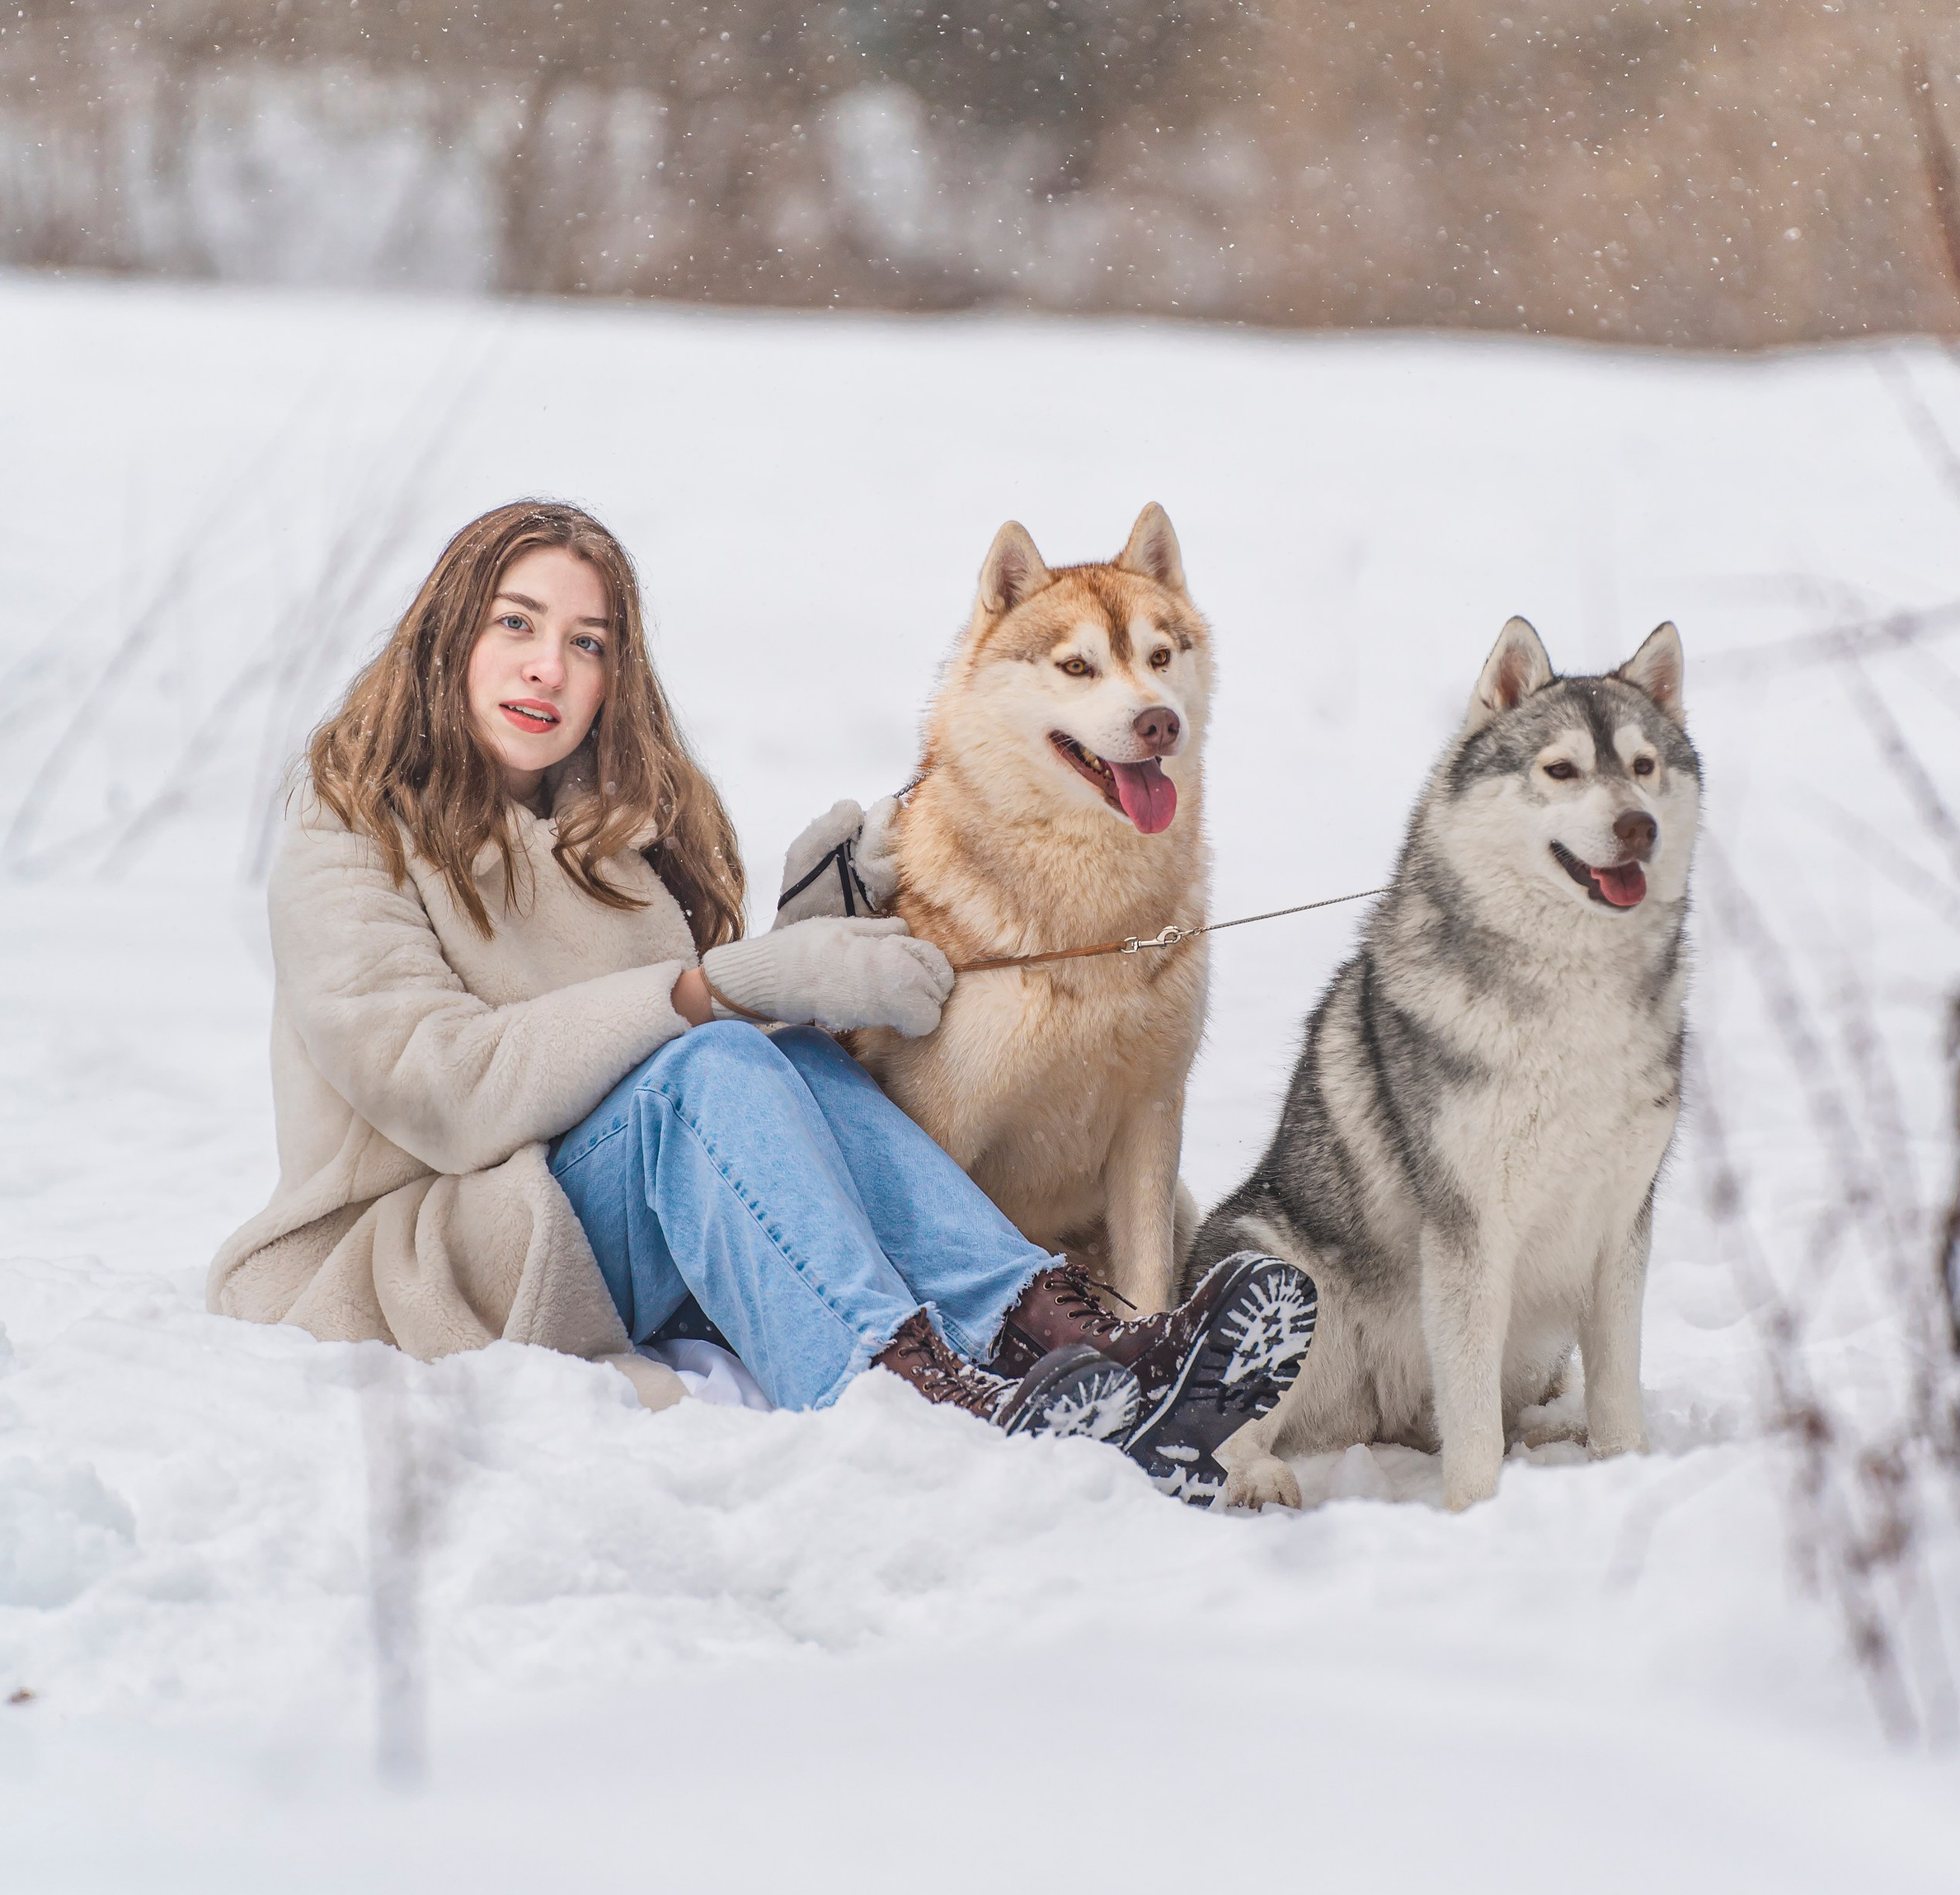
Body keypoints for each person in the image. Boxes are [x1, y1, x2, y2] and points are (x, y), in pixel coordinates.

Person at [210, 501, 1316, 1504]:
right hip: (436, 1251)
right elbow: (448, 1090)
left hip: (614, 1222)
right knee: (714, 1063)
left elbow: (690, 1081)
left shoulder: (617, 833)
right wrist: (718, 986)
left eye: (586, 644)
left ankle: (1059, 1341)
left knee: (785, 1066)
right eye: (516, 625)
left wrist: (807, 935)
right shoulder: (347, 831)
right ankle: (908, 1396)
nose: (548, 667)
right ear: (448, 632)